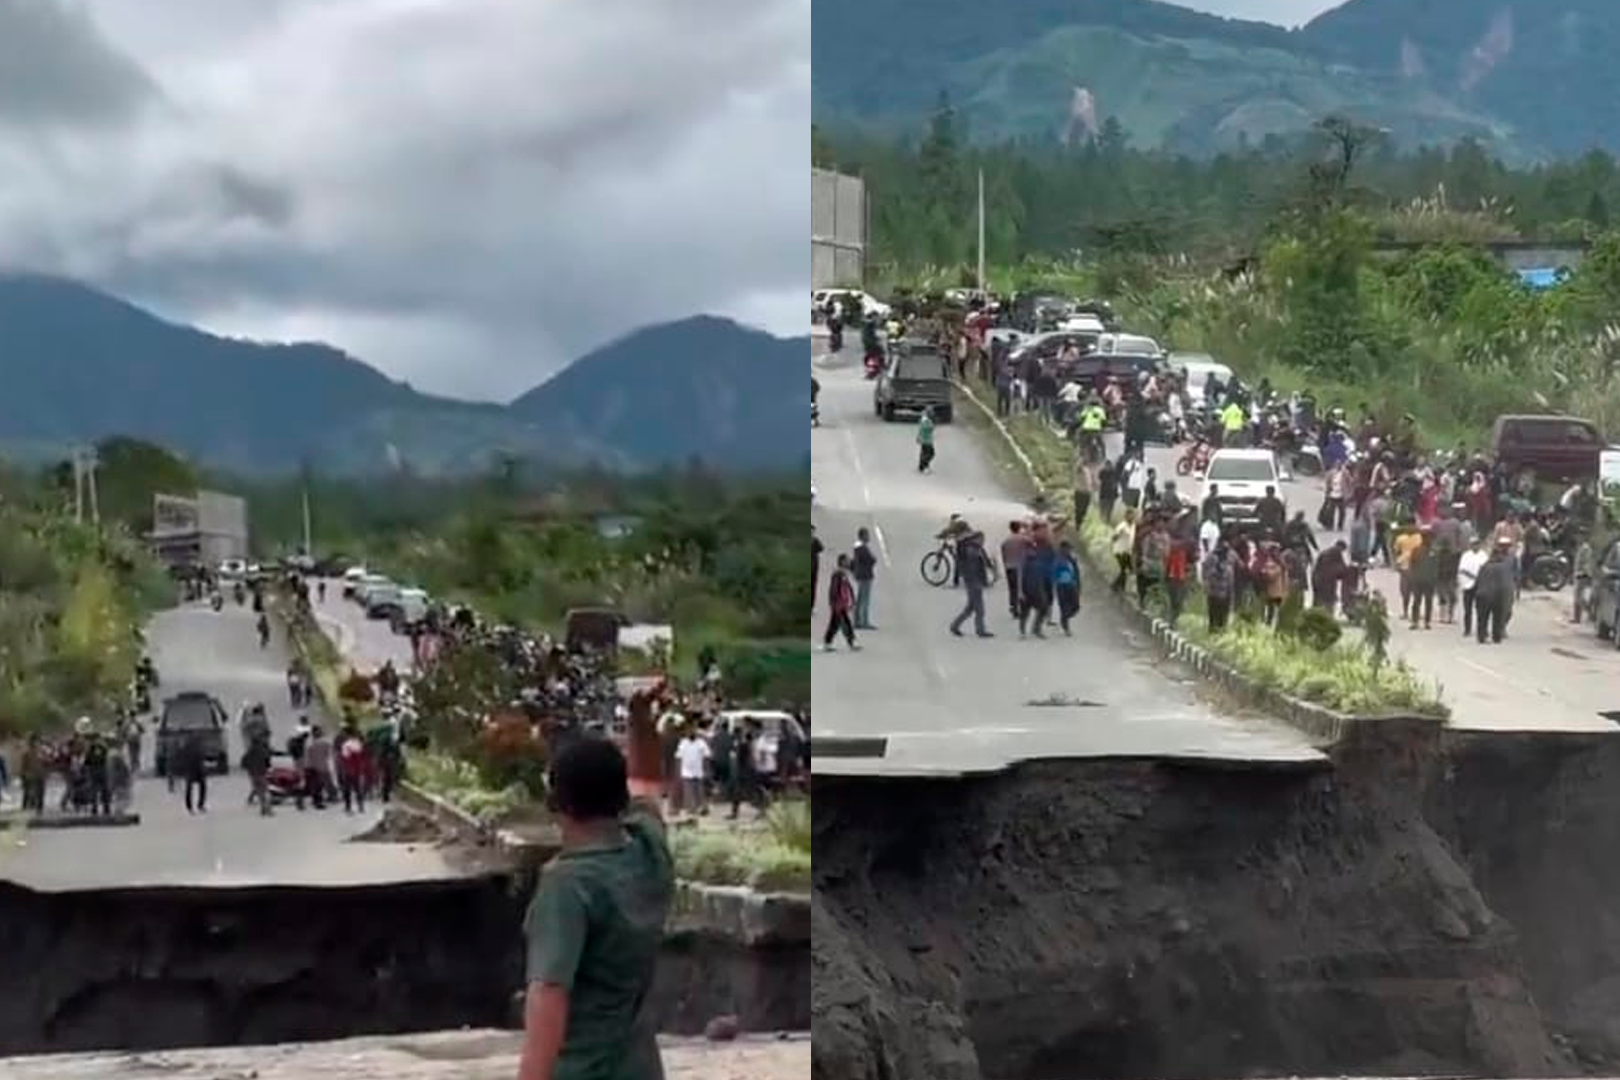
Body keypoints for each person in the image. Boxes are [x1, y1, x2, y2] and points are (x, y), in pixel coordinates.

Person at [518, 685, 675, 1080]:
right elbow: (648, 780)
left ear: (559, 805)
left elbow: (549, 994)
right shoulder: (648, 849)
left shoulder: (567, 885)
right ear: (620, 798)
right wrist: (640, 716)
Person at [948, 531, 995, 639]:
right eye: (981, 539)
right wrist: (980, 580)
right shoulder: (972, 551)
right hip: (974, 581)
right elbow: (974, 567)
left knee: (970, 608)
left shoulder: (975, 549)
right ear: (975, 539)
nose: (983, 541)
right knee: (980, 609)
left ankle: (955, 626)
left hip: (973, 581)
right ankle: (980, 630)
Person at [822, 554, 859, 652]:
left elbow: (848, 588)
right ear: (842, 562)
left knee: (840, 623)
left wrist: (852, 600)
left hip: (842, 603)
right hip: (838, 604)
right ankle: (829, 642)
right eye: (847, 560)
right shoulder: (837, 574)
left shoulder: (843, 574)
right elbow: (834, 589)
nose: (848, 562)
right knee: (838, 623)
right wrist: (834, 602)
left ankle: (830, 642)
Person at [675, 726, 710, 817]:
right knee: (688, 792)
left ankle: (703, 808)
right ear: (687, 734)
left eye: (692, 732)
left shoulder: (701, 743)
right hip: (686, 771)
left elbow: (707, 756)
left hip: (698, 771)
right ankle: (691, 809)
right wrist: (678, 771)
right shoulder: (683, 743)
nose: (691, 734)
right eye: (689, 732)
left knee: (700, 791)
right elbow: (678, 757)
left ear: (695, 734)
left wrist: (706, 769)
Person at [1053, 540, 1082, 635]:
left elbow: (1077, 573)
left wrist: (1078, 586)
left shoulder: (1072, 560)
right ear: (1062, 549)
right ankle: (1066, 628)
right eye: (1067, 549)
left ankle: (1063, 619)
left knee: (1076, 606)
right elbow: (1054, 573)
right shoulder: (1058, 559)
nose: (1069, 551)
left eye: (1070, 549)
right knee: (1064, 607)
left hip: (1072, 585)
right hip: (1061, 586)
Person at [851, 527, 878, 630]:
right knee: (865, 599)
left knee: (860, 598)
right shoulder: (862, 548)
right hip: (865, 575)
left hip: (860, 574)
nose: (868, 537)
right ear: (862, 536)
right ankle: (864, 621)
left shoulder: (857, 546)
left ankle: (857, 620)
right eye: (867, 535)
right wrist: (873, 559)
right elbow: (870, 560)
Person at [916, 408, 936, 473]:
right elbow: (928, 428)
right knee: (930, 453)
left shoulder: (925, 420)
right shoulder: (926, 421)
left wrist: (918, 437)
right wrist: (932, 425)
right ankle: (924, 465)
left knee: (924, 453)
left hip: (926, 440)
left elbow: (920, 429)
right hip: (926, 440)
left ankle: (921, 466)